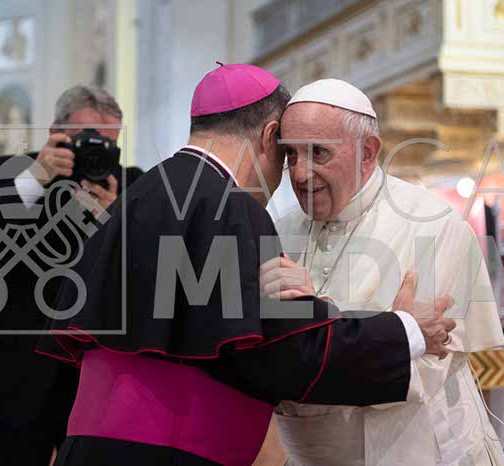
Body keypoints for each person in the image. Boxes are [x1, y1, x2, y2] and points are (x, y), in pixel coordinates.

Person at [37, 63, 456, 466]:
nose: (293, 175)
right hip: (169, 453)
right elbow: (290, 351)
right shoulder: (230, 207)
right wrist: (405, 331)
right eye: (287, 154)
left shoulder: (137, 195)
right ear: (270, 136)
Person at [260, 79, 504, 466]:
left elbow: (417, 370)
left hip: (416, 451)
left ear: (367, 151)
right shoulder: (279, 229)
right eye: (290, 154)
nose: (301, 174)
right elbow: (269, 358)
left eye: (318, 152)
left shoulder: (433, 225)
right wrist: (390, 330)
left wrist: (313, 317)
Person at [0, 85, 144, 466]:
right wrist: (34, 178)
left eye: (108, 143)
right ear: (56, 132)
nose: (96, 151)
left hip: (97, 385)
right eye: (86, 140)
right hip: (16, 378)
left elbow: (149, 274)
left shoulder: (132, 185)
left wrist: (116, 218)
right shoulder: (13, 172)